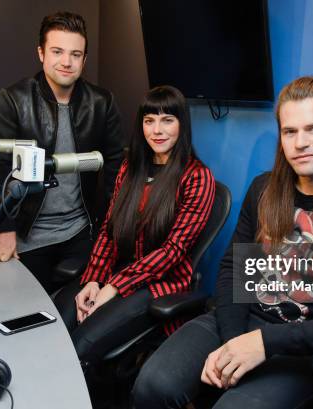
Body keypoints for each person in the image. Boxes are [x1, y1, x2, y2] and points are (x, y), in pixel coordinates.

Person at [133, 76, 313, 409]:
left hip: (308, 343)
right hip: (243, 320)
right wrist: (236, 341)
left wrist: (263, 343)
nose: (300, 142)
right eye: (290, 132)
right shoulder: (264, 189)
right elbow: (234, 267)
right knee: (152, 385)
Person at [54, 85, 215, 389]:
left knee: (79, 347)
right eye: (149, 120)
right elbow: (110, 229)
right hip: (117, 274)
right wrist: (94, 279)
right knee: (55, 326)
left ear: (182, 124)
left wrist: (114, 286)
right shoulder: (131, 167)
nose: (157, 130)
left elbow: (173, 251)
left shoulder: (196, 177)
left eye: (167, 120)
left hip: (159, 285)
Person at [0, 11, 124, 293]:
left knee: (81, 312)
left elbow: (114, 168)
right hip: (26, 233)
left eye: (75, 54)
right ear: (41, 53)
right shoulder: (13, 99)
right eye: (57, 51)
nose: (66, 62)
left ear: (84, 59)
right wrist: (4, 227)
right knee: (19, 311)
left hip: (81, 231)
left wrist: (108, 233)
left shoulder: (101, 102)